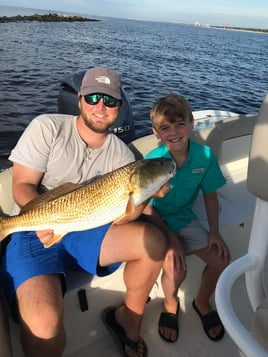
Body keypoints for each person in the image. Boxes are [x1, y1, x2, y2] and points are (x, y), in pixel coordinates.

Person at [0, 67, 168, 357]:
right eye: (93, 98)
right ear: (79, 99)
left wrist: (145, 196)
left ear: (120, 106)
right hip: (33, 229)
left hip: (90, 226)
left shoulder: (123, 156)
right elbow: (22, 186)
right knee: (43, 323)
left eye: (110, 100)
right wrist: (44, 220)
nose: (100, 107)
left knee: (153, 242)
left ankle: (127, 319)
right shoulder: (47, 127)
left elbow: (124, 216)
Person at [142, 93, 230, 343]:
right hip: (155, 220)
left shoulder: (205, 156)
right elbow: (145, 207)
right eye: (165, 127)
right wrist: (171, 241)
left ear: (192, 124)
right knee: (175, 268)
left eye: (180, 124)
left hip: (183, 218)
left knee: (222, 260)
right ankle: (170, 304)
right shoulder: (151, 161)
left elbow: (210, 197)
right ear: (156, 133)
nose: (174, 132)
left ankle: (202, 301)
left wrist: (214, 231)